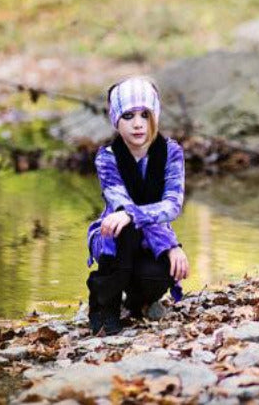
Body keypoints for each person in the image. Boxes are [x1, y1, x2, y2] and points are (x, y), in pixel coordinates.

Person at [86, 76, 189, 336]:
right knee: (125, 228)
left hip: (152, 239)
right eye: (128, 116)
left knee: (159, 273)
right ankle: (103, 304)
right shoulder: (107, 158)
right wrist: (168, 242)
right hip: (115, 240)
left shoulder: (171, 152)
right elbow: (122, 205)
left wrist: (170, 247)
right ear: (116, 120)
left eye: (145, 114)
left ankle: (135, 301)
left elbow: (172, 205)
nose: (138, 124)